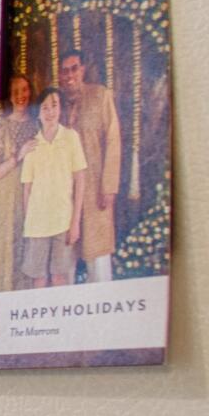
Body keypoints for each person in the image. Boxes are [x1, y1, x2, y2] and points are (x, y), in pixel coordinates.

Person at [57, 48, 122, 283]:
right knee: (65, 254)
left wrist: (109, 186)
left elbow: (113, 139)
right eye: (64, 71)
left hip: (95, 185)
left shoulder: (100, 95)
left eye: (74, 68)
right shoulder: (57, 104)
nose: (69, 75)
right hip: (66, 189)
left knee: (98, 251)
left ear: (82, 70)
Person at [16, 84, 88, 290]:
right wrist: (29, 224)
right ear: (38, 113)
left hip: (63, 221)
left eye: (54, 106)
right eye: (45, 107)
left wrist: (75, 222)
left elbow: (80, 181)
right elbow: (27, 189)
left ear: (60, 109)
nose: (50, 112)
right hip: (37, 224)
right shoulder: (32, 145)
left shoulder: (71, 138)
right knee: (38, 279)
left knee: (59, 277)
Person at [0, 71, 37, 291]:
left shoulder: (37, 125)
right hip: (4, 199)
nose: (20, 95)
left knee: (27, 248)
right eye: (15, 91)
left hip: (30, 196)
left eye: (24, 90)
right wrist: (18, 156)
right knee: (5, 249)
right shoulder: (2, 127)